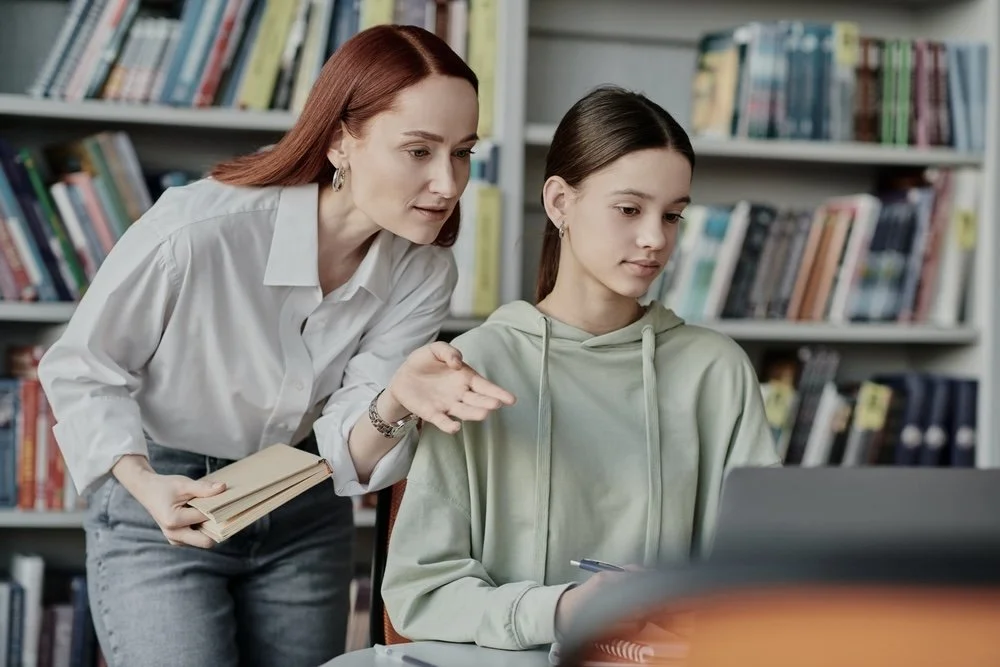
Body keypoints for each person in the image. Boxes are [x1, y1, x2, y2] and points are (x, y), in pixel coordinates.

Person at [36, 24, 514, 667]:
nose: (448, 184)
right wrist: (146, 485)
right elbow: (82, 366)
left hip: (303, 506)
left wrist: (398, 397)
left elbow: (349, 443)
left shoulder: (425, 270)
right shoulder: (200, 229)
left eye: (462, 153)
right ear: (343, 140)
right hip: (165, 502)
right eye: (419, 151)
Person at [380, 85, 781, 651]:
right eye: (629, 209)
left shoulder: (716, 371)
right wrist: (563, 610)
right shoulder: (475, 366)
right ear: (560, 202)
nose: (654, 239)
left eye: (673, 216)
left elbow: (760, 585)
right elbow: (421, 595)